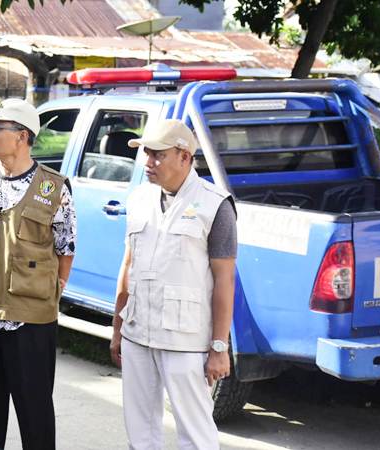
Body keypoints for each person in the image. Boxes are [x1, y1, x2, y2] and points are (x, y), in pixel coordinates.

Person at [110, 119, 236, 450]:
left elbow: (224, 280)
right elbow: (128, 264)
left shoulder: (214, 205)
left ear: (184, 156)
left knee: (196, 435)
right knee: (140, 432)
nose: (148, 162)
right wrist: (117, 327)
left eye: (158, 155)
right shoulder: (139, 198)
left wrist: (219, 348)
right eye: (146, 154)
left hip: (186, 341)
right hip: (138, 333)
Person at [0, 98, 76, 450]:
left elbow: (65, 248)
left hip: (29, 320)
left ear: (22, 136)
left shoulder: (54, 188)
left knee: (34, 413)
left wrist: (50, 289)